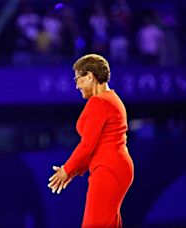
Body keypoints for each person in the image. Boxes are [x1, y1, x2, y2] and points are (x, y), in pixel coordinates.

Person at [48, 54, 134, 227]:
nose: (76, 85)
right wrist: (73, 171)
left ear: (89, 76)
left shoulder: (99, 102)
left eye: (77, 78)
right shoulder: (112, 99)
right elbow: (98, 144)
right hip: (116, 167)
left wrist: (67, 169)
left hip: (108, 169)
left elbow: (88, 144)